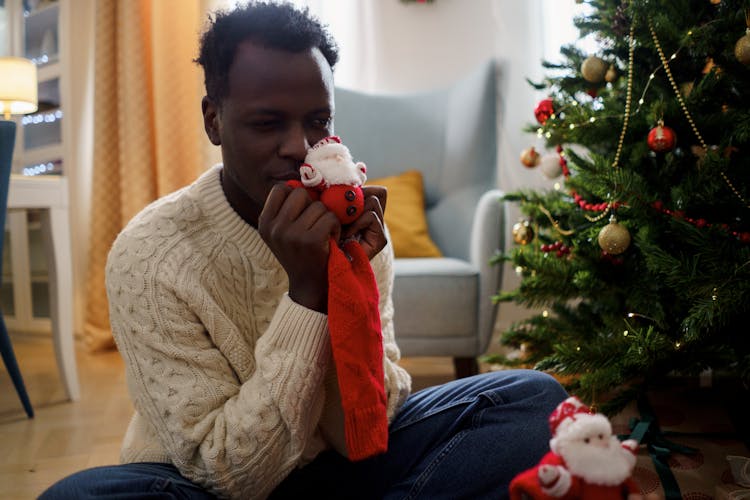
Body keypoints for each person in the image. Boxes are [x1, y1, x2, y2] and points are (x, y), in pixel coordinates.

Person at [40, 2, 567, 499]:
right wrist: (307, 297)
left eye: (319, 121)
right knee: (77, 495)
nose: (299, 146)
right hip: (205, 486)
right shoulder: (150, 253)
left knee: (531, 400)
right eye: (268, 123)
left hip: (341, 469)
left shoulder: (357, 230)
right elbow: (228, 474)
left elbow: (364, 432)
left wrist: (348, 279)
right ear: (214, 120)